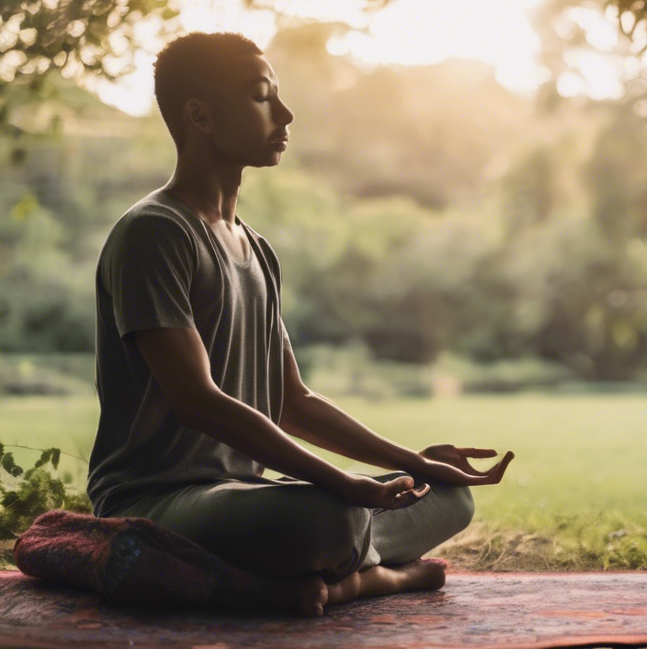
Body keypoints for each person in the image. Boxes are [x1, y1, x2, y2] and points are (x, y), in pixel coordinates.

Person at [85, 31, 515, 617]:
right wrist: (342, 483)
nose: (285, 114)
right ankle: (372, 579)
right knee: (329, 516)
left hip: (247, 498)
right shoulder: (155, 233)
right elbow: (197, 403)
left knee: (449, 496)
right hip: (157, 505)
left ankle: (329, 575)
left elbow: (295, 403)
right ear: (200, 116)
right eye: (263, 96)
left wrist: (415, 463)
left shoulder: (256, 250)